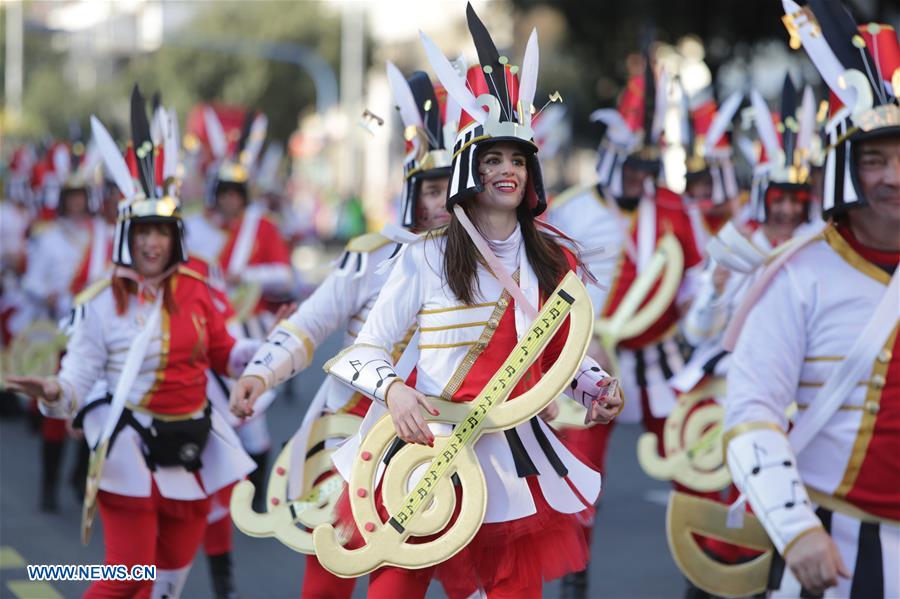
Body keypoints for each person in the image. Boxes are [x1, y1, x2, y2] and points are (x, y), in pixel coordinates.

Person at [235, 7, 622, 596]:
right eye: (493, 158)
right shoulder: (419, 257)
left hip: (512, 449)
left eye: (517, 159)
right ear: (471, 170)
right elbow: (362, 349)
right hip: (423, 449)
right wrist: (393, 390)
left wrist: (593, 385)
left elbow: (555, 351)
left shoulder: (548, 260)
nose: (508, 170)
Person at [7, 87, 257, 598]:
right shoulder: (102, 299)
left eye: (161, 232)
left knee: (169, 573)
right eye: (142, 231)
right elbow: (78, 374)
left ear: (175, 237)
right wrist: (55, 392)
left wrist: (273, 352)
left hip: (191, 442)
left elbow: (225, 354)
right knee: (128, 574)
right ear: (127, 234)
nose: (151, 242)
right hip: (127, 443)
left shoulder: (199, 289)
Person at [228, 63, 466, 599]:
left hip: (431, 442)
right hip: (351, 439)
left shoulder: (483, 268)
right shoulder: (371, 258)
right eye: (431, 189)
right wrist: (262, 374)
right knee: (326, 583)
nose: (440, 202)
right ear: (412, 193)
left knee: (405, 584)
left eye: (451, 189)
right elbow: (310, 323)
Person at [723, 4, 899, 596]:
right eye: (874, 159)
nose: (894, 176)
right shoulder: (796, 274)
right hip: (833, 548)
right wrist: (795, 529)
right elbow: (751, 411)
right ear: (845, 167)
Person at [547, 47, 703, 598]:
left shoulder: (676, 208)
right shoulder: (569, 210)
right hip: (589, 358)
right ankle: (573, 577)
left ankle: (704, 573)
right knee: (580, 470)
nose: (640, 177)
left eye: (647, 166)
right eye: (632, 165)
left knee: (696, 460)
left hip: (662, 356)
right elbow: (547, 291)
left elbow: (697, 281)